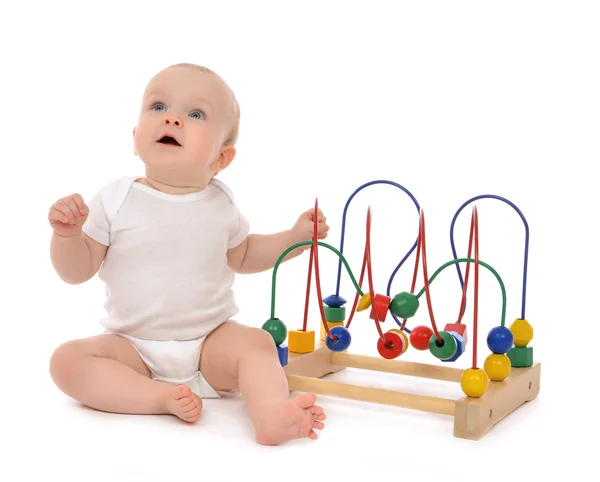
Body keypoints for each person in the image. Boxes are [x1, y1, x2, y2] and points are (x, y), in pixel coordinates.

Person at [47, 63, 329, 445]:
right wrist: (67, 237)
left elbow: (244, 255)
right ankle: (156, 398)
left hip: (210, 343)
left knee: (257, 344)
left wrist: (294, 239)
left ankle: (272, 414)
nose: (173, 119)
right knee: (67, 362)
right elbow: (76, 271)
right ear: (135, 138)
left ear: (222, 158)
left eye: (196, 114)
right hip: (132, 348)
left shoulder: (220, 202)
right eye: (159, 107)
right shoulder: (115, 199)